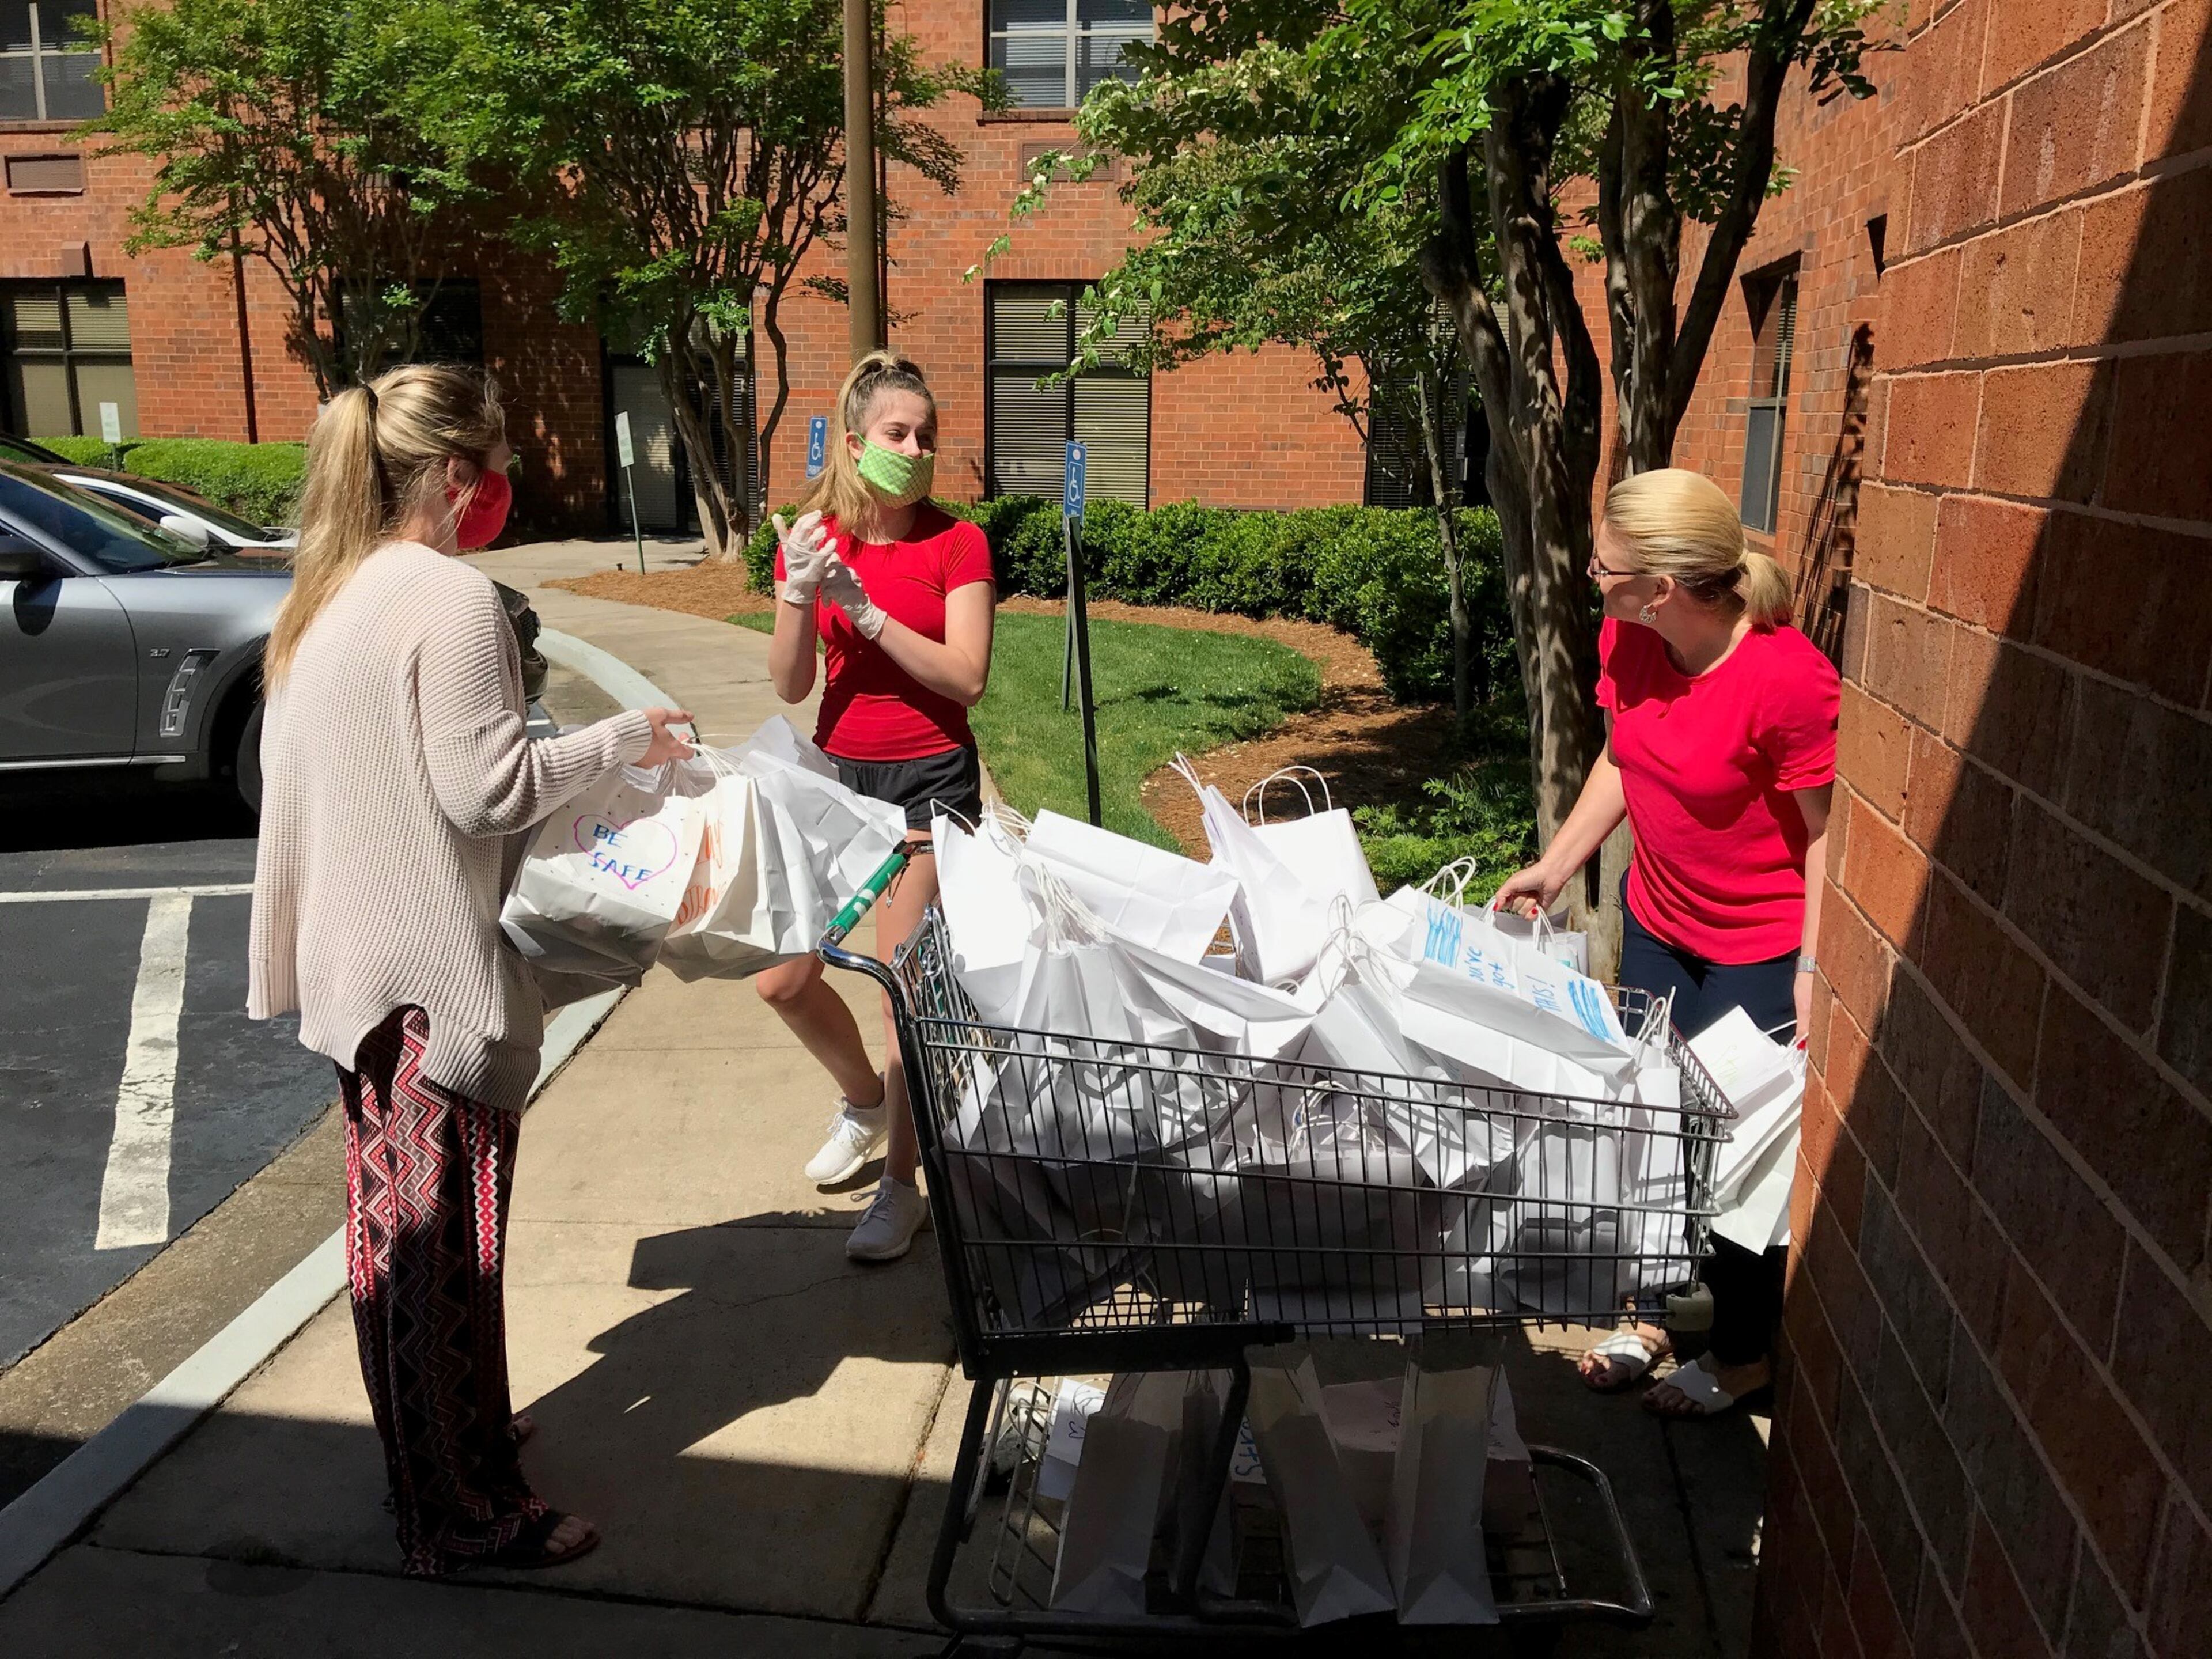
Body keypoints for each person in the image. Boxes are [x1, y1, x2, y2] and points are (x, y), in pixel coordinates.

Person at [248, 365, 695, 1573]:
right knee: (443, 1257)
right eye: (494, 464)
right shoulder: (448, 599)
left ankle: (441, 1457)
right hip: (427, 987)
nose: (506, 487)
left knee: (394, 1253)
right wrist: (619, 742)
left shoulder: (326, 600)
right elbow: (484, 787)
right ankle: (462, 1513)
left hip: (360, 985)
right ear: (456, 474)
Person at [1491, 467, 1837, 1418]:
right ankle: (1650, 1318)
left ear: (1666, 588)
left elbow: (1827, 834)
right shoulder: (1631, 639)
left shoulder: (1787, 680)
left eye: (1604, 568)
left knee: (1735, 1160)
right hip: (1656, 927)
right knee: (1649, 1126)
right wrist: (1557, 866)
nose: (1590, 579)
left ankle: (1738, 1356)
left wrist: (1812, 967)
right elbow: (1621, 754)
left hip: (1756, 953)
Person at [757, 350, 996, 1263]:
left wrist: (874, 616)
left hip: (933, 784)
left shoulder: (957, 542)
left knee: (902, 989)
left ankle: (903, 1188)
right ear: (855, 443)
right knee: (782, 976)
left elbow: (966, 678)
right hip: (839, 783)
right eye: (898, 434)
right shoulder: (816, 537)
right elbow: (789, 684)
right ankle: (863, 1102)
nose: (916, 449)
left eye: (927, 436)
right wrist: (799, 590)